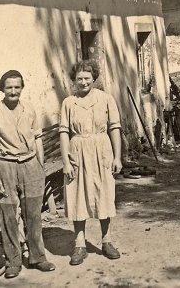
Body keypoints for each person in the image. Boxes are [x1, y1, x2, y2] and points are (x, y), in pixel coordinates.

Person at [0, 70, 55, 278]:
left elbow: (37, 137)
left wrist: (40, 164)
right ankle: (13, 261)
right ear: (2, 89)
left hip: (30, 164)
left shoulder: (29, 108)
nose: (13, 91)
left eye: (17, 87)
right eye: (9, 87)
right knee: (8, 215)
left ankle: (38, 257)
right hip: (5, 166)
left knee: (33, 213)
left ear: (22, 88)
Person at [59, 60, 123, 266]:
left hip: (101, 150)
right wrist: (66, 162)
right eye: (79, 79)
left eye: (87, 78)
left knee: (103, 194)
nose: (83, 82)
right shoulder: (69, 102)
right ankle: (79, 244)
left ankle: (107, 241)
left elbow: (115, 128)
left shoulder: (105, 99)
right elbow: (63, 133)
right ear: (74, 81)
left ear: (94, 78)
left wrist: (117, 157)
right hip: (77, 152)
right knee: (78, 195)